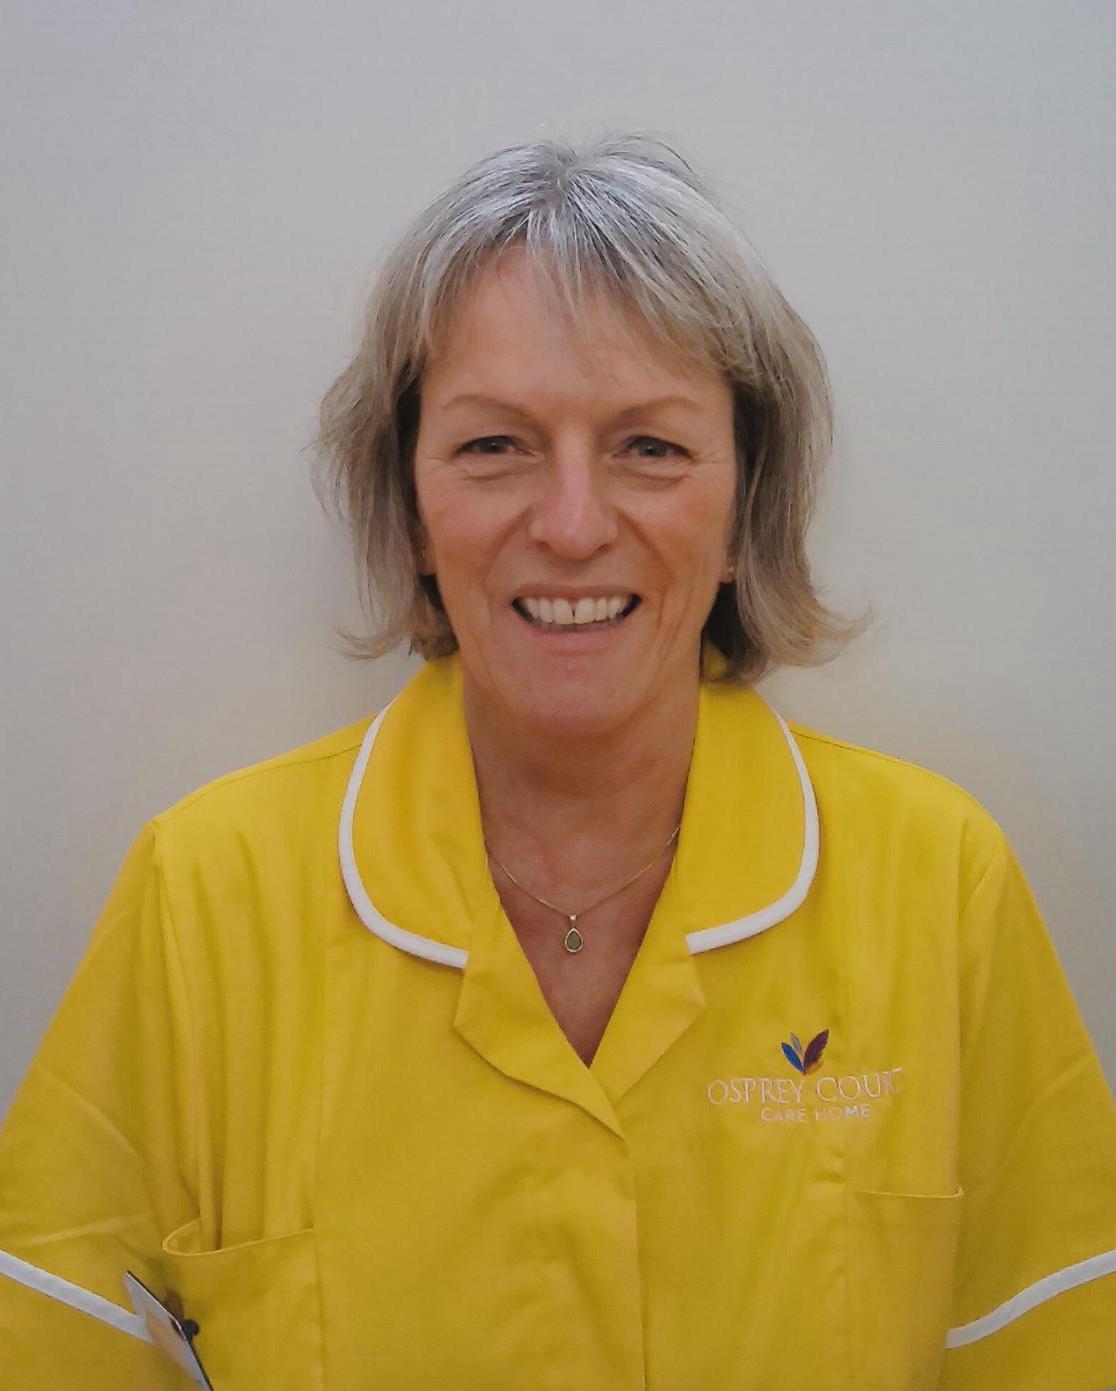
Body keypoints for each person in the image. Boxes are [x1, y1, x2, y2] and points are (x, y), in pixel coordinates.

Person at [1, 131, 1114, 1391]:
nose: (574, 523)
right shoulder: (205, 897)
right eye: (494, 445)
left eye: (650, 445)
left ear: (748, 509)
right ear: (411, 508)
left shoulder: (939, 885)